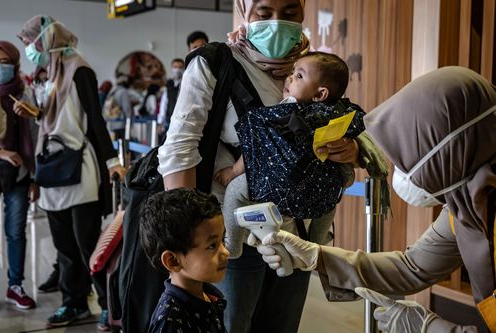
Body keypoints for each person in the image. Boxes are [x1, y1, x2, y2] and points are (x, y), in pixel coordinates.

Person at [159, 1, 360, 332]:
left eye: (290, 12)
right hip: (230, 235)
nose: (278, 22)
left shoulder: (315, 67)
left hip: (298, 230)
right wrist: (189, 242)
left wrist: (347, 151)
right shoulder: (216, 62)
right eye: (264, 14)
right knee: (230, 325)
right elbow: (180, 147)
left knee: (281, 325)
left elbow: (340, 128)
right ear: (244, 11)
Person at [250, 66, 496, 332]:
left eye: (407, 156)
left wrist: (435, 329)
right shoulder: (466, 204)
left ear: (451, 151)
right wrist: (314, 256)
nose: (399, 171)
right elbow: (413, 267)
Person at [15, 15, 125, 330]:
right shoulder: (46, 75)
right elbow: (48, 123)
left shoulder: (80, 70)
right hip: (51, 168)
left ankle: (107, 304)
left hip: (82, 167)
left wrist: (112, 162)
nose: (28, 49)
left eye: (29, 42)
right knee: (64, 246)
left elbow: (95, 120)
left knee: (88, 243)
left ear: (46, 39)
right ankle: (73, 302)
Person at [215, 51, 365, 258]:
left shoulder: (284, 112)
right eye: (293, 72)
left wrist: (233, 171)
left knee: (234, 191)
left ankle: (231, 245)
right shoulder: (340, 114)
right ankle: (316, 244)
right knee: (329, 204)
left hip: (279, 183)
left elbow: (257, 148)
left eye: (299, 76)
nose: (290, 77)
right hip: (318, 188)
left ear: (320, 94)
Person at [139, 188, 229, 333]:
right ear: (173, 261)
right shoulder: (170, 323)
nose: (225, 252)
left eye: (222, 240)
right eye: (212, 246)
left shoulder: (207, 296)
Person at [0, 40, 39, 310]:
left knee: (15, 231)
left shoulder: (26, 93)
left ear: (15, 63)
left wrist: (35, 177)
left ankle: (15, 286)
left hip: (21, 172)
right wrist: (0, 152)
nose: (0, 67)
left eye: (5, 61)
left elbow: (35, 135)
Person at [157, 58, 184, 142]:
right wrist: (160, 122)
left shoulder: (186, 83)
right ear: (172, 68)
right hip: (169, 120)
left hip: (182, 121)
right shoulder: (168, 84)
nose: (177, 69)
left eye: (180, 67)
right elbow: (164, 103)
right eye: (175, 67)